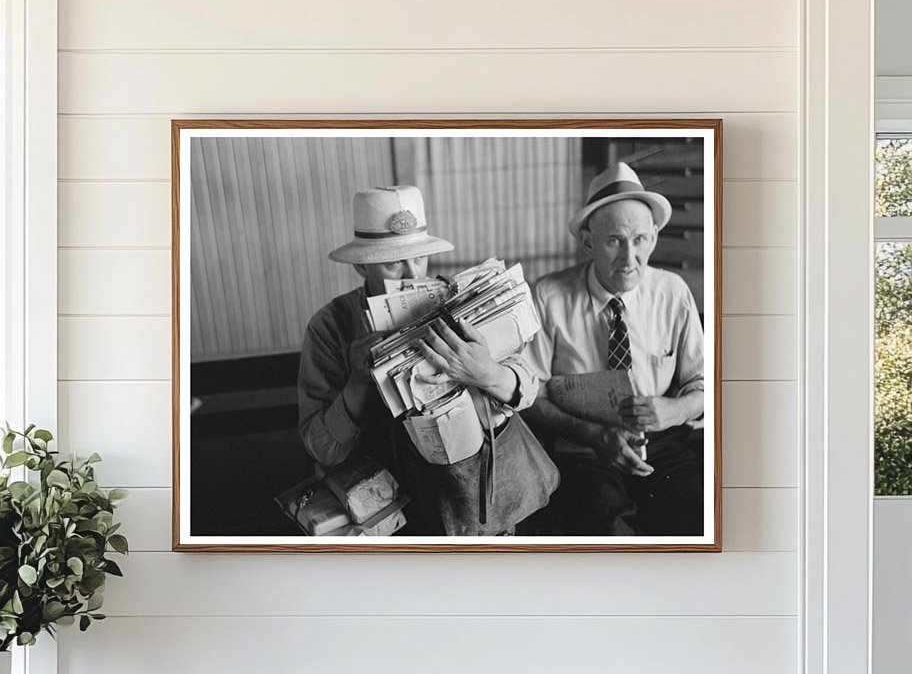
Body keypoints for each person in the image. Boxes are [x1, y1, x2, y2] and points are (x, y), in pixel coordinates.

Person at [298, 184, 538, 531]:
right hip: (385, 508)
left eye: (419, 258)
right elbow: (322, 450)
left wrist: (486, 373)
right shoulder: (331, 326)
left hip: (473, 495)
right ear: (362, 268)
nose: (413, 275)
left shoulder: (459, 300)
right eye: (394, 264)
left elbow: (528, 387)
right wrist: (358, 384)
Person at [523, 162, 705, 536]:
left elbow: (701, 383)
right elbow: (530, 394)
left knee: (696, 508)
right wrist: (591, 434)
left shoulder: (672, 293)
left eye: (639, 240)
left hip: (661, 440)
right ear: (588, 242)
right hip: (582, 447)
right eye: (613, 241)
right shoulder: (548, 296)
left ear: (654, 237)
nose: (629, 257)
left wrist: (674, 410)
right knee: (603, 527)